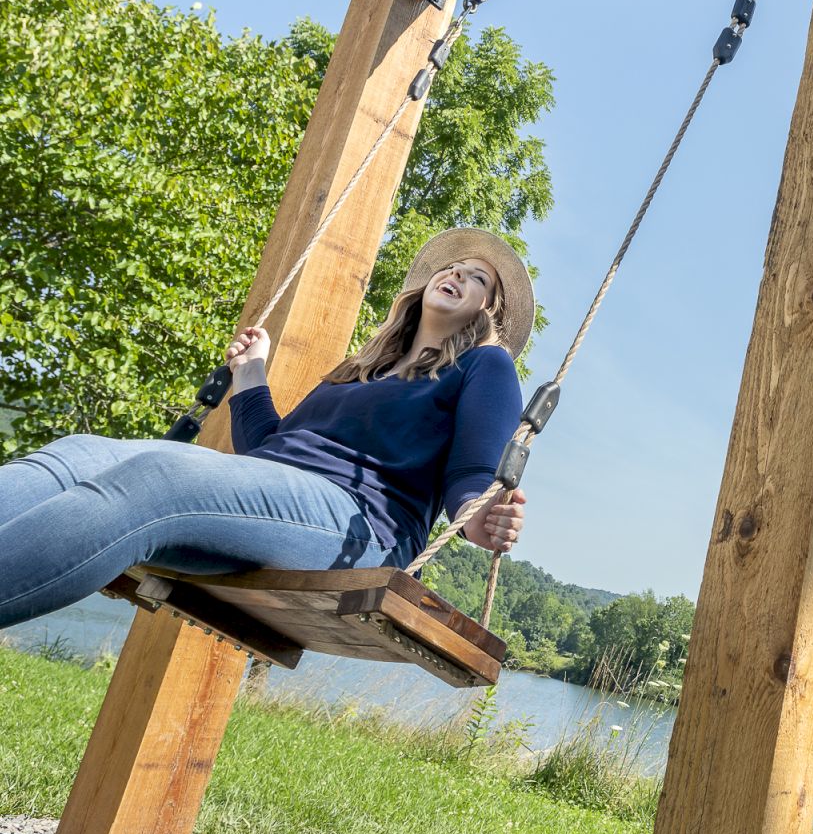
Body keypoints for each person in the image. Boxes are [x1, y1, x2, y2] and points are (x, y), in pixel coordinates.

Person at [0, 227, 531, 630]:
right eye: (453, 267)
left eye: (477, 277)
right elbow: (268, 452)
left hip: (361, 526)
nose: (457, 274)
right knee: (82, 453)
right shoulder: (360, 371)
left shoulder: (485, 365)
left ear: (491, 311)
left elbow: (473, 473)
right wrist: (251, 372)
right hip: (284, 505)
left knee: (159, 477)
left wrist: (480, 518)